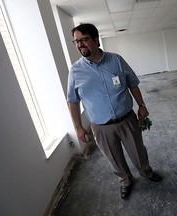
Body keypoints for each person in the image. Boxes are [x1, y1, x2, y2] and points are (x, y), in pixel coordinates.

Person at [67, 23, 162, 199]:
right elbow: (72, 100)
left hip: (127, 119)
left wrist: (141, 105)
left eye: (84, 40)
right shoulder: (75, 71)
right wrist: (78, 127)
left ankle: (146, 172)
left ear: (96, 40)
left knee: (138, 151)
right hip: (101, 127)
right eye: (76, 41)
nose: (80, 45)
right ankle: (125, 181)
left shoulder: (116, 60)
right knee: (114, 158)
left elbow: (133, 83)